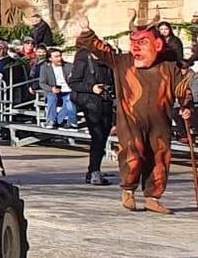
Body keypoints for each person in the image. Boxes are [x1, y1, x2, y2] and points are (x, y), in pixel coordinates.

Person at [86, 26, 187, 214]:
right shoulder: (124, 62)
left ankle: (152, 197)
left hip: (160, 122)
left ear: (157, 45)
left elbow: (182, 89)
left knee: (160, 157)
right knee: (133, 153)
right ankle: (128, 191)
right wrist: (86, 32)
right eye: (133, 44)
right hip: (130, 121)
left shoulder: (169, 67)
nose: (136, 49)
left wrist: (186, 107)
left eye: (142, 43)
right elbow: (100, 49)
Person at [71, 31, 117, 186]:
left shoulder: (109, 63)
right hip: (91, 103)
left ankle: (92, 170)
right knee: (97, 137)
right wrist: (92, 88)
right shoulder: (84, 58)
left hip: (106, 103)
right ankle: (94, 172)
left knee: (103, 138)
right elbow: (74, 82)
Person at [37, 47, 77, 129]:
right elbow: (42, 83)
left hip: (68, 90)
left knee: (69, 100)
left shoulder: (69, 66)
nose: (59, 58)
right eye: (56, 57)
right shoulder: (45, 68)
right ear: (50, 58)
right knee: (51, 97)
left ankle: (67, 121)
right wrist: (51, 89)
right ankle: (51, 120)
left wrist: (71, 78)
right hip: (54, 90)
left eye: (60, 56)